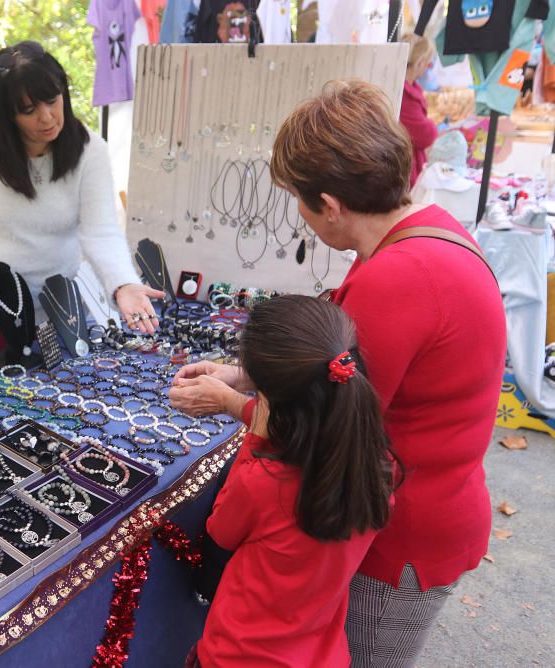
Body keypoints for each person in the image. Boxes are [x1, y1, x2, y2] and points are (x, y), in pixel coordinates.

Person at [171, 80, 505, 667]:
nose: (300, 219)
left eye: (299, 201)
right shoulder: (432, 233)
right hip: (423, 509)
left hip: (395, 536)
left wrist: (230, 402)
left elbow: (318, 424)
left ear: (329, 204)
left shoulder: (394, 281)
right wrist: (243, 374)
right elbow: (340, 373)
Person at [189, 295, 395, 667]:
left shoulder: (263, 481)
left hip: (239, 655)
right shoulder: (377, 467)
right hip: (321, 653)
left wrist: (257, 434)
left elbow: (220, 531)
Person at [0, 41, 161, 356]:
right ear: (7, 113)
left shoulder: (89, 150)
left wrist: (123, 284)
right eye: (28, 110)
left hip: (60, 314)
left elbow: (102, 230)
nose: (47, 117)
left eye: (53, 100)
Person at [400, 33, 438, 187]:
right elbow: (423, 133)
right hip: (405, 163)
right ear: (420, 62)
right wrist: (431, 126)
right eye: (427, 63)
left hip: (409, 160)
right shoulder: (403, 93)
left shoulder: (409, 87)